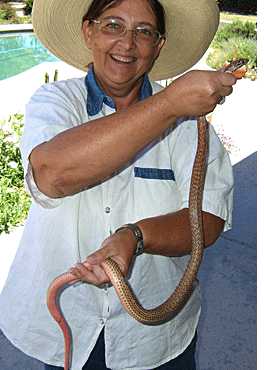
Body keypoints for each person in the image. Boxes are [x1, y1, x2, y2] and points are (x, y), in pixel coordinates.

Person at [0, 0, 236, 369]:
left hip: (158, 339)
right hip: (67, 326)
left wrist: (135, 235)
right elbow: (53, 176)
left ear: (157, 45)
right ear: (88, 31)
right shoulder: (55, 101)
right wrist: (170, 104)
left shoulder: (190, 124)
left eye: (144, 32)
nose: (127, 44)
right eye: (112, 25)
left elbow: (208, 220)